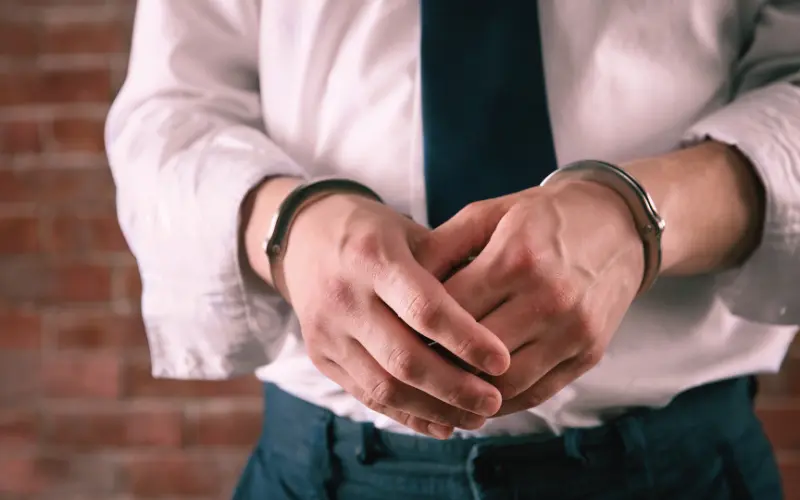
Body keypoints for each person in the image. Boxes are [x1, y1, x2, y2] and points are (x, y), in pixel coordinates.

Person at [107, 1, 800, 498]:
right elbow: (172, 112)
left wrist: (640, 217)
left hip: (679, 468)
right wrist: (289, 226)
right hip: (325, 469)